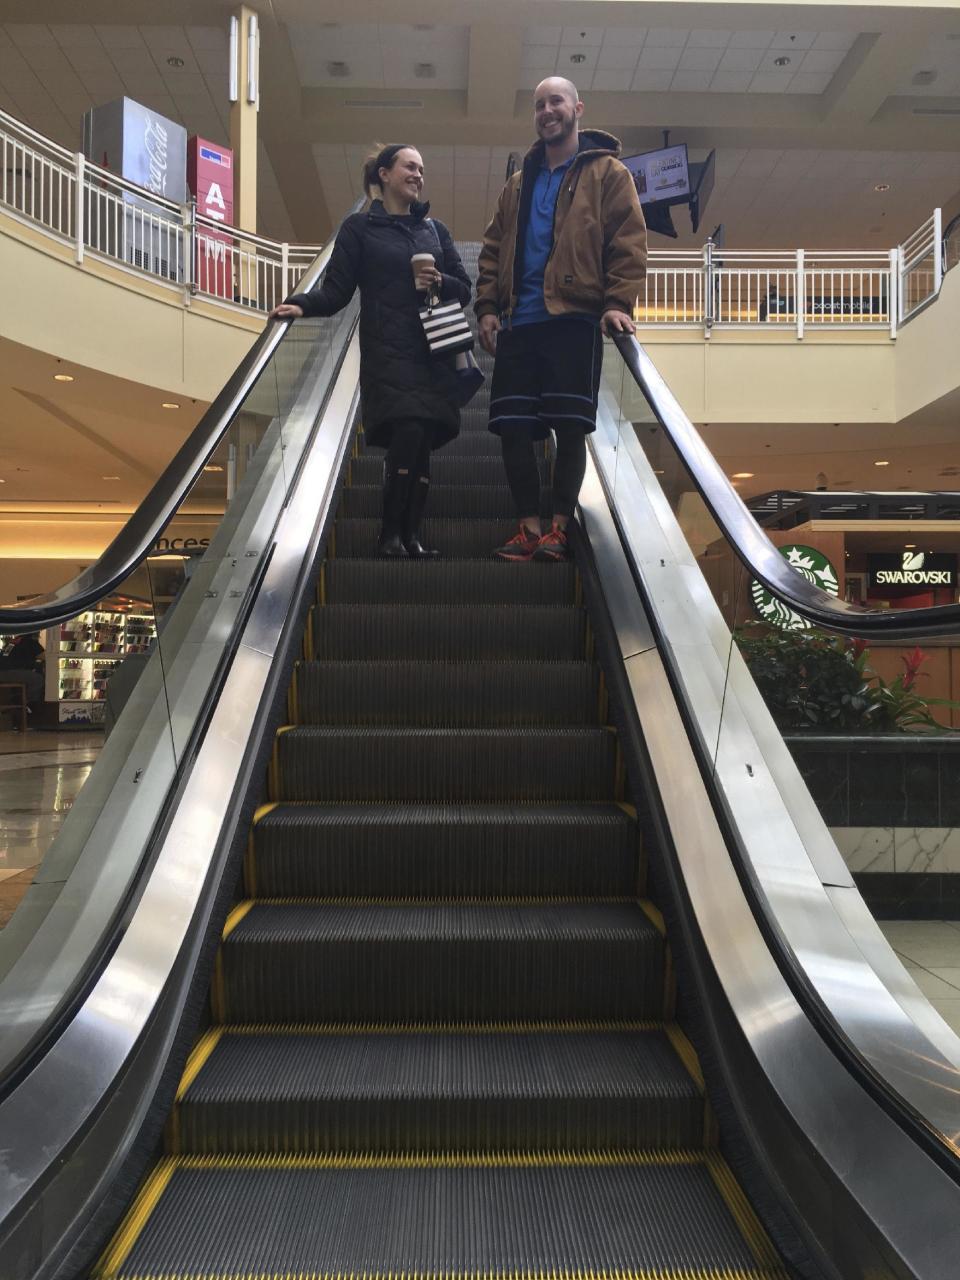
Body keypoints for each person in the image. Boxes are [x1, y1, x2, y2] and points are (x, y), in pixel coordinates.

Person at [475, 77, 647, 561]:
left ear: (577, 109)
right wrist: (488, 307)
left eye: (556, 102)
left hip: (575, 317)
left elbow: (628, 240)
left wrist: (618, 302)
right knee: (511, 425)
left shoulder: (608, 173)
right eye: (539, 105)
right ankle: (527, 528)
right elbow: (492, 250)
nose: (547, 110)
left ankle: (558, 527)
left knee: (570, 426)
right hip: (519, 322)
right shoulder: (518, 182)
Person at [270, 144, 471, 557]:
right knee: (409, 430)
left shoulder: (435, 231)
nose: (418, 175)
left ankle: (412, 536)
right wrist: (302, 304)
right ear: (384, 174)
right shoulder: (358, 230)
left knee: (423, 439)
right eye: (409, 167)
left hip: (432, 348)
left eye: (421, 169)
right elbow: (338, 291)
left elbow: (463, 288)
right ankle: (390, 533)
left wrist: (437, 283)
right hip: (387, 349)